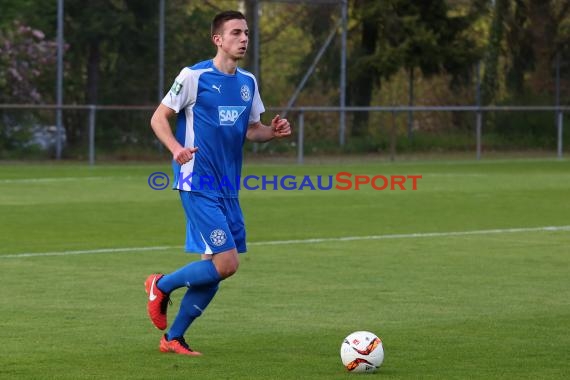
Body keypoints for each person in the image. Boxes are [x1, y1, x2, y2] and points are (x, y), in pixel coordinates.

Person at [146, 10, 291, 356]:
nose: (243, 39)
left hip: (228, 187)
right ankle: (160, 285)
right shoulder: (193, 76)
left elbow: (251, 128)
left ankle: (173, 338)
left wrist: (271, 132)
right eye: (236, 33)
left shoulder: (248, 83)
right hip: (196, 179)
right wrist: (177, 148)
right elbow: (158, 117)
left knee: (215, 270)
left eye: (246, 33)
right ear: (218, 39)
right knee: (227, 264)